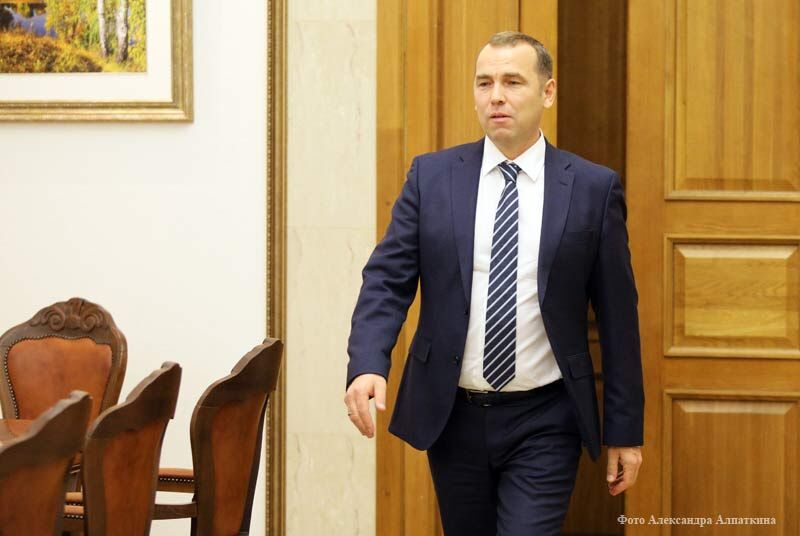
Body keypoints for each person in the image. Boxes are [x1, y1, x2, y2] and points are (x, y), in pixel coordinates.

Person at [344, 31, 644, 535]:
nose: (496, 96)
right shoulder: (432, 177)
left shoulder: (592, 188)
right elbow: (386, 279)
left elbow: (619, 319)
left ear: (548, 92)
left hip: (546, 418)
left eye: (512, 82)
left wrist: (625, 431)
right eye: (484, 83)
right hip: (453, 415)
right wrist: (368, 363)